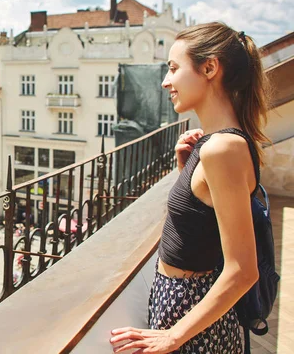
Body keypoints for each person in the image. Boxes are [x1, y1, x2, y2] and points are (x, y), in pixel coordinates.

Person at [110, 23, 269, 353]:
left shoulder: (221, 149)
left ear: (210, 67)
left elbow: (243, 271)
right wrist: (187, 171)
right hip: (184, 305)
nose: (166, 81)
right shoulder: (214, 145)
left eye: (173, 68)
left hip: (190, 313)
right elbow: (205, 221)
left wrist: (172, 335)